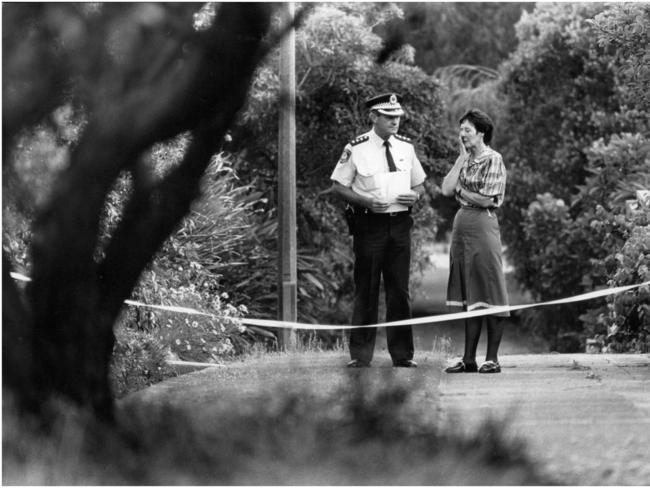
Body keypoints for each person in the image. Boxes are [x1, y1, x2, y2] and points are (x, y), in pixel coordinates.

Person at [329, 93, 426, 368]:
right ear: (374, 117)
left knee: (399, 291)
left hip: (399, 224)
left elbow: (419, 184)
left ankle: (403, 355)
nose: (395, 122)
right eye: (389, 117)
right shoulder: (357, 147)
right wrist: (367, 201)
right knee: (367, 288)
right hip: (369, 225)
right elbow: (338, 186)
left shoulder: (406, 147)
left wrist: (415, 196)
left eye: (397, 117)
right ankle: (361, 356)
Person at [441, 108, 509, 374]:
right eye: (461, 130)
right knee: (470, 292)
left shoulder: (494, 159)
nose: (462, 135)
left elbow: (489, 199)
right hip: (462, 229)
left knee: (490, 288)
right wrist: (460, 159)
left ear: (481, 133)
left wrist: (463, 191)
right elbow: (447, 189)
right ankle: (469, 358)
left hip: (483, 226)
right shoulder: (465, 160)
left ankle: (492, 358)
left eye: (467, 130)